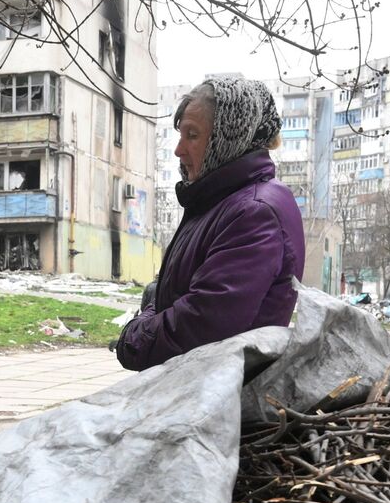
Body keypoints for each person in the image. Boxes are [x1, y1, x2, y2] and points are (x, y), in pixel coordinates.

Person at [114, 78, 305, 370]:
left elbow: (203, 324)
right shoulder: (218, 201)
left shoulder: (254, 212)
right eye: (180, 135)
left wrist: (134, 338)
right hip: (201, 390)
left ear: (228, 137)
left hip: (220, 400)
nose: (178, 150)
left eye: (192, 135)